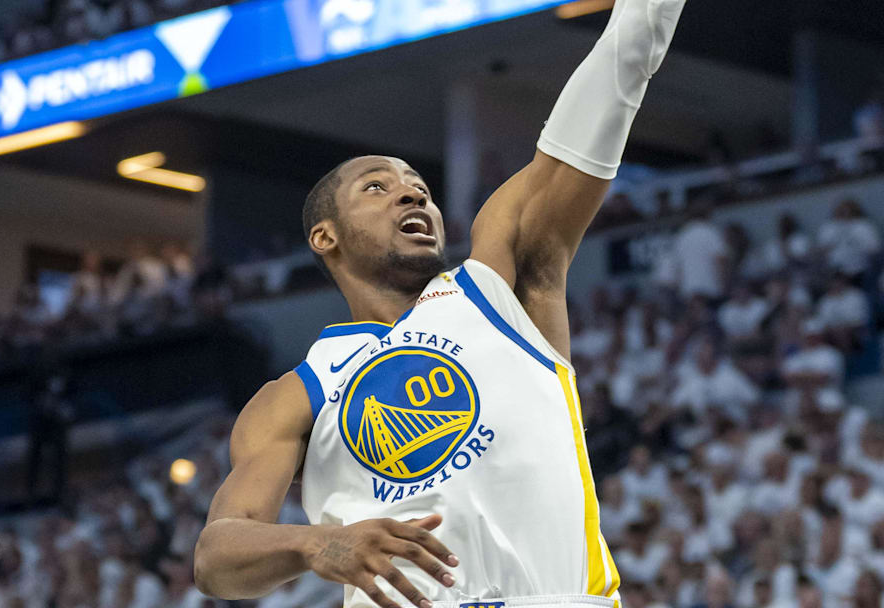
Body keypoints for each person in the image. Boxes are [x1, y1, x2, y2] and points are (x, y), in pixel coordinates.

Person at [193, 2, 688, 608]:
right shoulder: (292, 396)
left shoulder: (498, 283)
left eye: (419, 189)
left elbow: (624, 59)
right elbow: (216, 558)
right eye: (378, 186)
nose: (410, 192)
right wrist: (318, 545)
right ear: (326, 237)